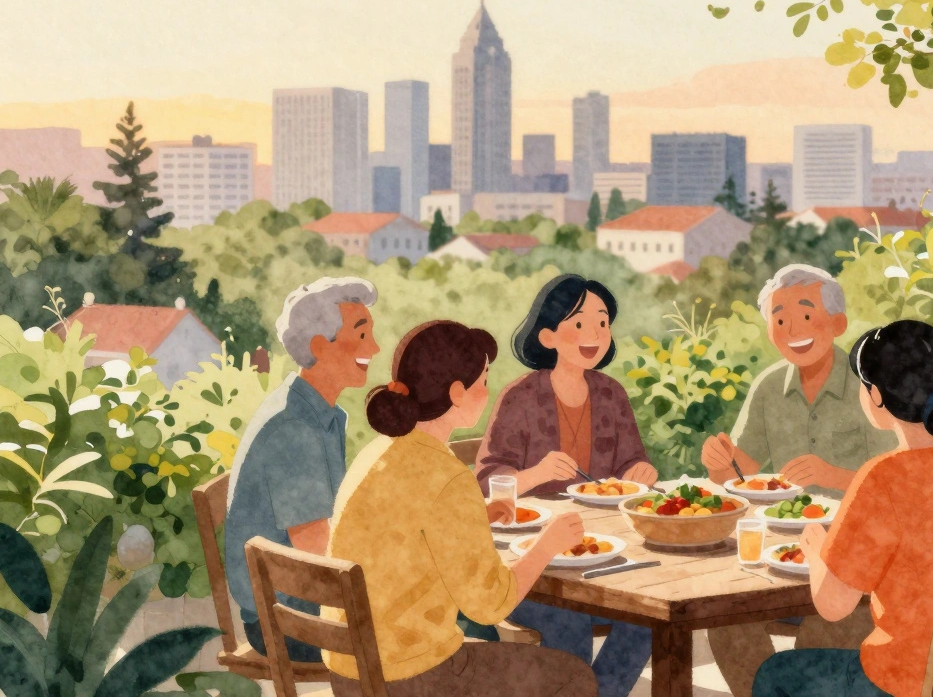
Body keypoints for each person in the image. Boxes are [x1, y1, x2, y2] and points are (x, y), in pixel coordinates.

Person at [324, 321, 596, 697]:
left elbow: (407, 529)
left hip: (349, 672)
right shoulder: (447, 477)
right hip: (412, 677)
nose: (487, 391)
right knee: (574, 676)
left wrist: (475, 517)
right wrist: (548, 544)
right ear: (457, 393)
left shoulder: (376, 452)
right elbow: (490, 605)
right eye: (483, 381)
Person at [752, 320, 933, 697]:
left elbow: (833, 606)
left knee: (775, 674)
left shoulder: (882, 476)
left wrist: (816, 552)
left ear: (876, 395)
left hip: (908, 682)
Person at [699, 265, 894, 696]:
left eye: (806, 316)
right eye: (780, 319)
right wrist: (719, 461)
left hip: (852, 564)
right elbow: (741, 472)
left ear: (837, 323)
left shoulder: (870, 388)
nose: (793, 330)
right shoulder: (769, 387)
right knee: (724, 621)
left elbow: (894, 483)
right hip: (780, 553)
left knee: (834, 626)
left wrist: (833, 475)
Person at [475, 273, 653, 697]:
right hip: (529, 565)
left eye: (603, 322)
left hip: (601, 554)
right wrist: (536, 474)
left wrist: (639, 473)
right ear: (549, 335)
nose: (594, 334)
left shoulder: (611, 393)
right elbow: (484, 485)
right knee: (568, 620)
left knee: (649, 617)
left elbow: (633, 460)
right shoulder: (519, 396)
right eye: (579, 324)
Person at [224, 277, 379, 661]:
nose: (374, 348)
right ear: (318, 347)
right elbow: (317, 548)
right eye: (361, 336)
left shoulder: (321, 414)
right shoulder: (294, 427)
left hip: (301, 597)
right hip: (284, 620)